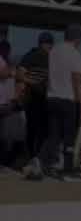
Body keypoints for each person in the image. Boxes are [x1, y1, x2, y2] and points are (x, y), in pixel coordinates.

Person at [24, 24, 81, 181]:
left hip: (51, 98)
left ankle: (37, 162)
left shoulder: (54, 51)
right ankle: (67, 171)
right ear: (78, 38)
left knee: (53, 136)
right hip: (68, 100)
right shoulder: (75, 54)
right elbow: (76, 81)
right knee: (69, 137)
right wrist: (80, 104)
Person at [18, 31, 54, 161]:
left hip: (45, 99)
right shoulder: (32, 55)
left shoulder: (51, 58)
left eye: (50, 44)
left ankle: (35, 157)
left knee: (42, 129)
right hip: (33, 98)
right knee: (34, 128)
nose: (49, 46)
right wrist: (34, 83)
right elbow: (20, 74)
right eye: (48, 44)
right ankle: (32, 157)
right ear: (42, 44)